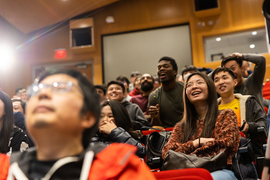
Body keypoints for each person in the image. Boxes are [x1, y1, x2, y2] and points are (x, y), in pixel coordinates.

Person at [5, 69, 155, 179]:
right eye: (37, 90)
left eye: (60, 89)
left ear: (88, 117)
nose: (43, 94)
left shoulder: (121, 170)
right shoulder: (5, 169)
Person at [162, 72, 240, 180]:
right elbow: (167, 152)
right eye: (189, 85)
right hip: (188, 172)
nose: (194, 86)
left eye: (199, 82)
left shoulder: (226, 115)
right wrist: (197, 143)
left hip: (219, 169)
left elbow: (225, 145)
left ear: (210, 88)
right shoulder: (181, 126)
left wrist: (186, 154)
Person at [212, 67, 267, 157]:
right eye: (216, 80)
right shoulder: (211, 110)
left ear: (235, 82)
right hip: (220, 152)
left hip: (247, 149)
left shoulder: (249, 101)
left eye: (225, 78)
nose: (221, 82)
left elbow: (263, 124)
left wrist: (249, 126)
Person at [148, 56, 184, 128]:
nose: (161, 69)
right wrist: (155, 117)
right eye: (159, 68)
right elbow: (156, 126)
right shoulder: (154, 96)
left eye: (166, 66)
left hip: (188, 129)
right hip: (167, 134)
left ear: (175, 71)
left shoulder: (186, 88)